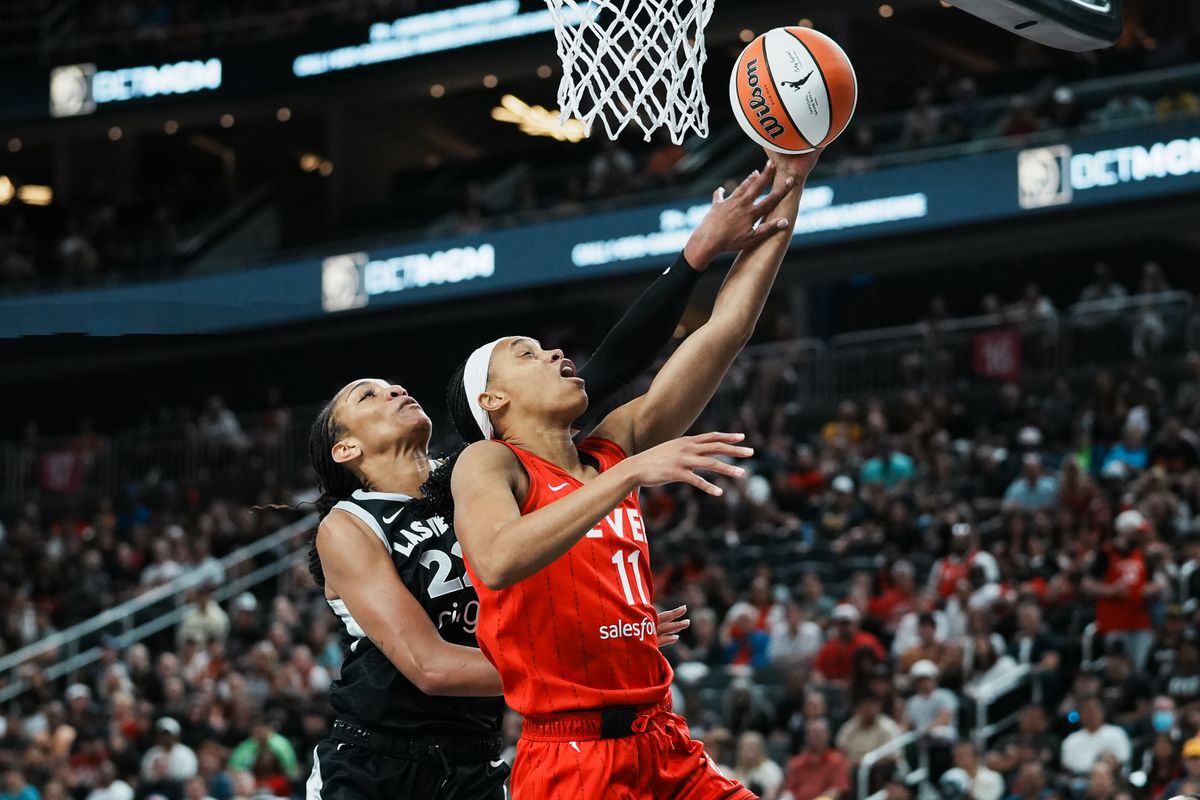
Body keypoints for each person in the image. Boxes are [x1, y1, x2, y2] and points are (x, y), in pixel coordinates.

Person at [303, 207, 742, 797]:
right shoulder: (349, 525)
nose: (396, 390)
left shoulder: (481, 472)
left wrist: (693, 259)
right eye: (369, 395)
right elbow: (430, 667)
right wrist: (583, 657)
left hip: (477, 755)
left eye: (393, 385)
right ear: (346, 448)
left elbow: (613, 363)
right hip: (377, 761)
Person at [449, 151, 820, 797]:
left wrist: (793, 174)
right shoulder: (491, 462)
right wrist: (627, 477)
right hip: (571, 758)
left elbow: (727, 328)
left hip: (664, 740)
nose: (555, 353)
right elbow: (498, 558)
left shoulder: (611, 445)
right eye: (527, 355)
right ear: (493, 401)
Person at [1059, 697, 1131, 777]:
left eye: (1093, 711)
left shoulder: (1116, 733)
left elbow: (1124, 760)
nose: (1090, 715)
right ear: (1080, 715)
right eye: (1086, 712)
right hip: (1079, 779)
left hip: (1110, 778)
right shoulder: (1071, 740)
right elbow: (1067, 767)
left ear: (1102, 712)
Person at [781, 718, 851, 800]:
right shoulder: (796, 763)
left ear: (828, 735)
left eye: (820, 733)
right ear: (806, 736)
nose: (817, 736)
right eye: (813, 733)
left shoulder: (837, 760)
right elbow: (789, 790)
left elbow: (837, 790)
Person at [730, 731, 785, 800]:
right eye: (746, 746)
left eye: (753, 746)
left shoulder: (771, 769)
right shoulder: (735, 773)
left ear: (761, 749)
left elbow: (774, 794)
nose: (749, 750)